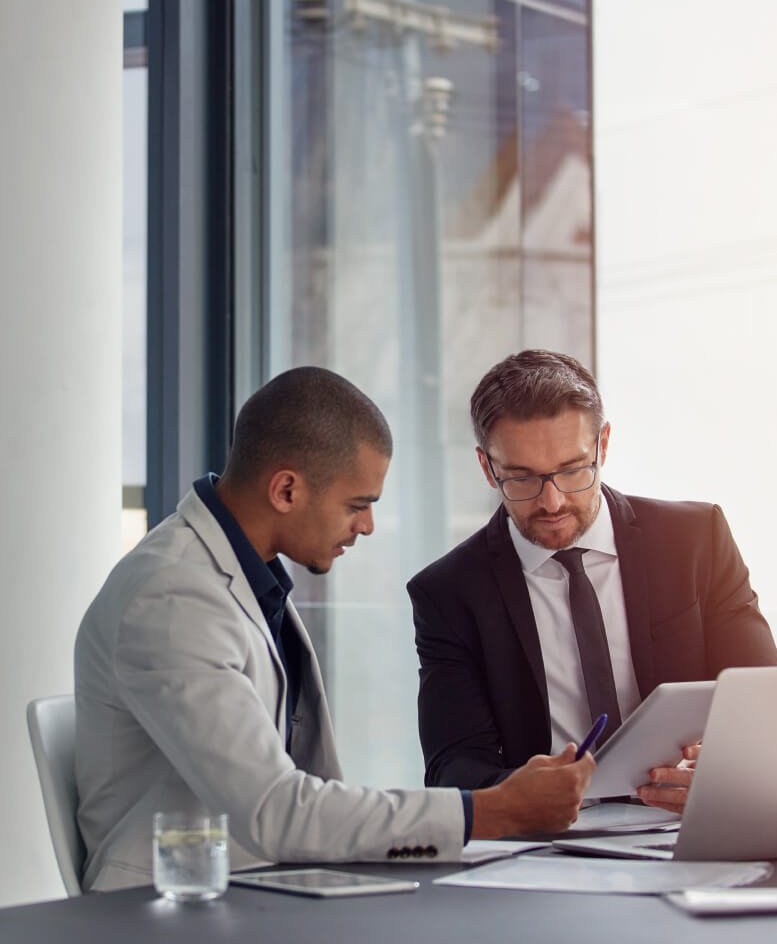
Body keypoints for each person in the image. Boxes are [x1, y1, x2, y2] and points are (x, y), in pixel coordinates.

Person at [75, 366, 593, 892]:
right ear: (286, 490)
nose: (366, 526)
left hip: (260, 892)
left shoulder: (245, 579)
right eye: (357, 505)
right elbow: (276, 811)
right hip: (169, 917)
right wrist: (492, 811)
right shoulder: (172, 597)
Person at [408, 350, 777, 812]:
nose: (552, 501)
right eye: (521, 478)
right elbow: (452, 767)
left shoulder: (695, 539)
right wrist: (522, 792)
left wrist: (724, 771)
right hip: (550, 843)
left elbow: (769, 709)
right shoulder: (448, 593)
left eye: (572, 469)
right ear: (487, 468)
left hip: (694, 823)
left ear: (603, 444)